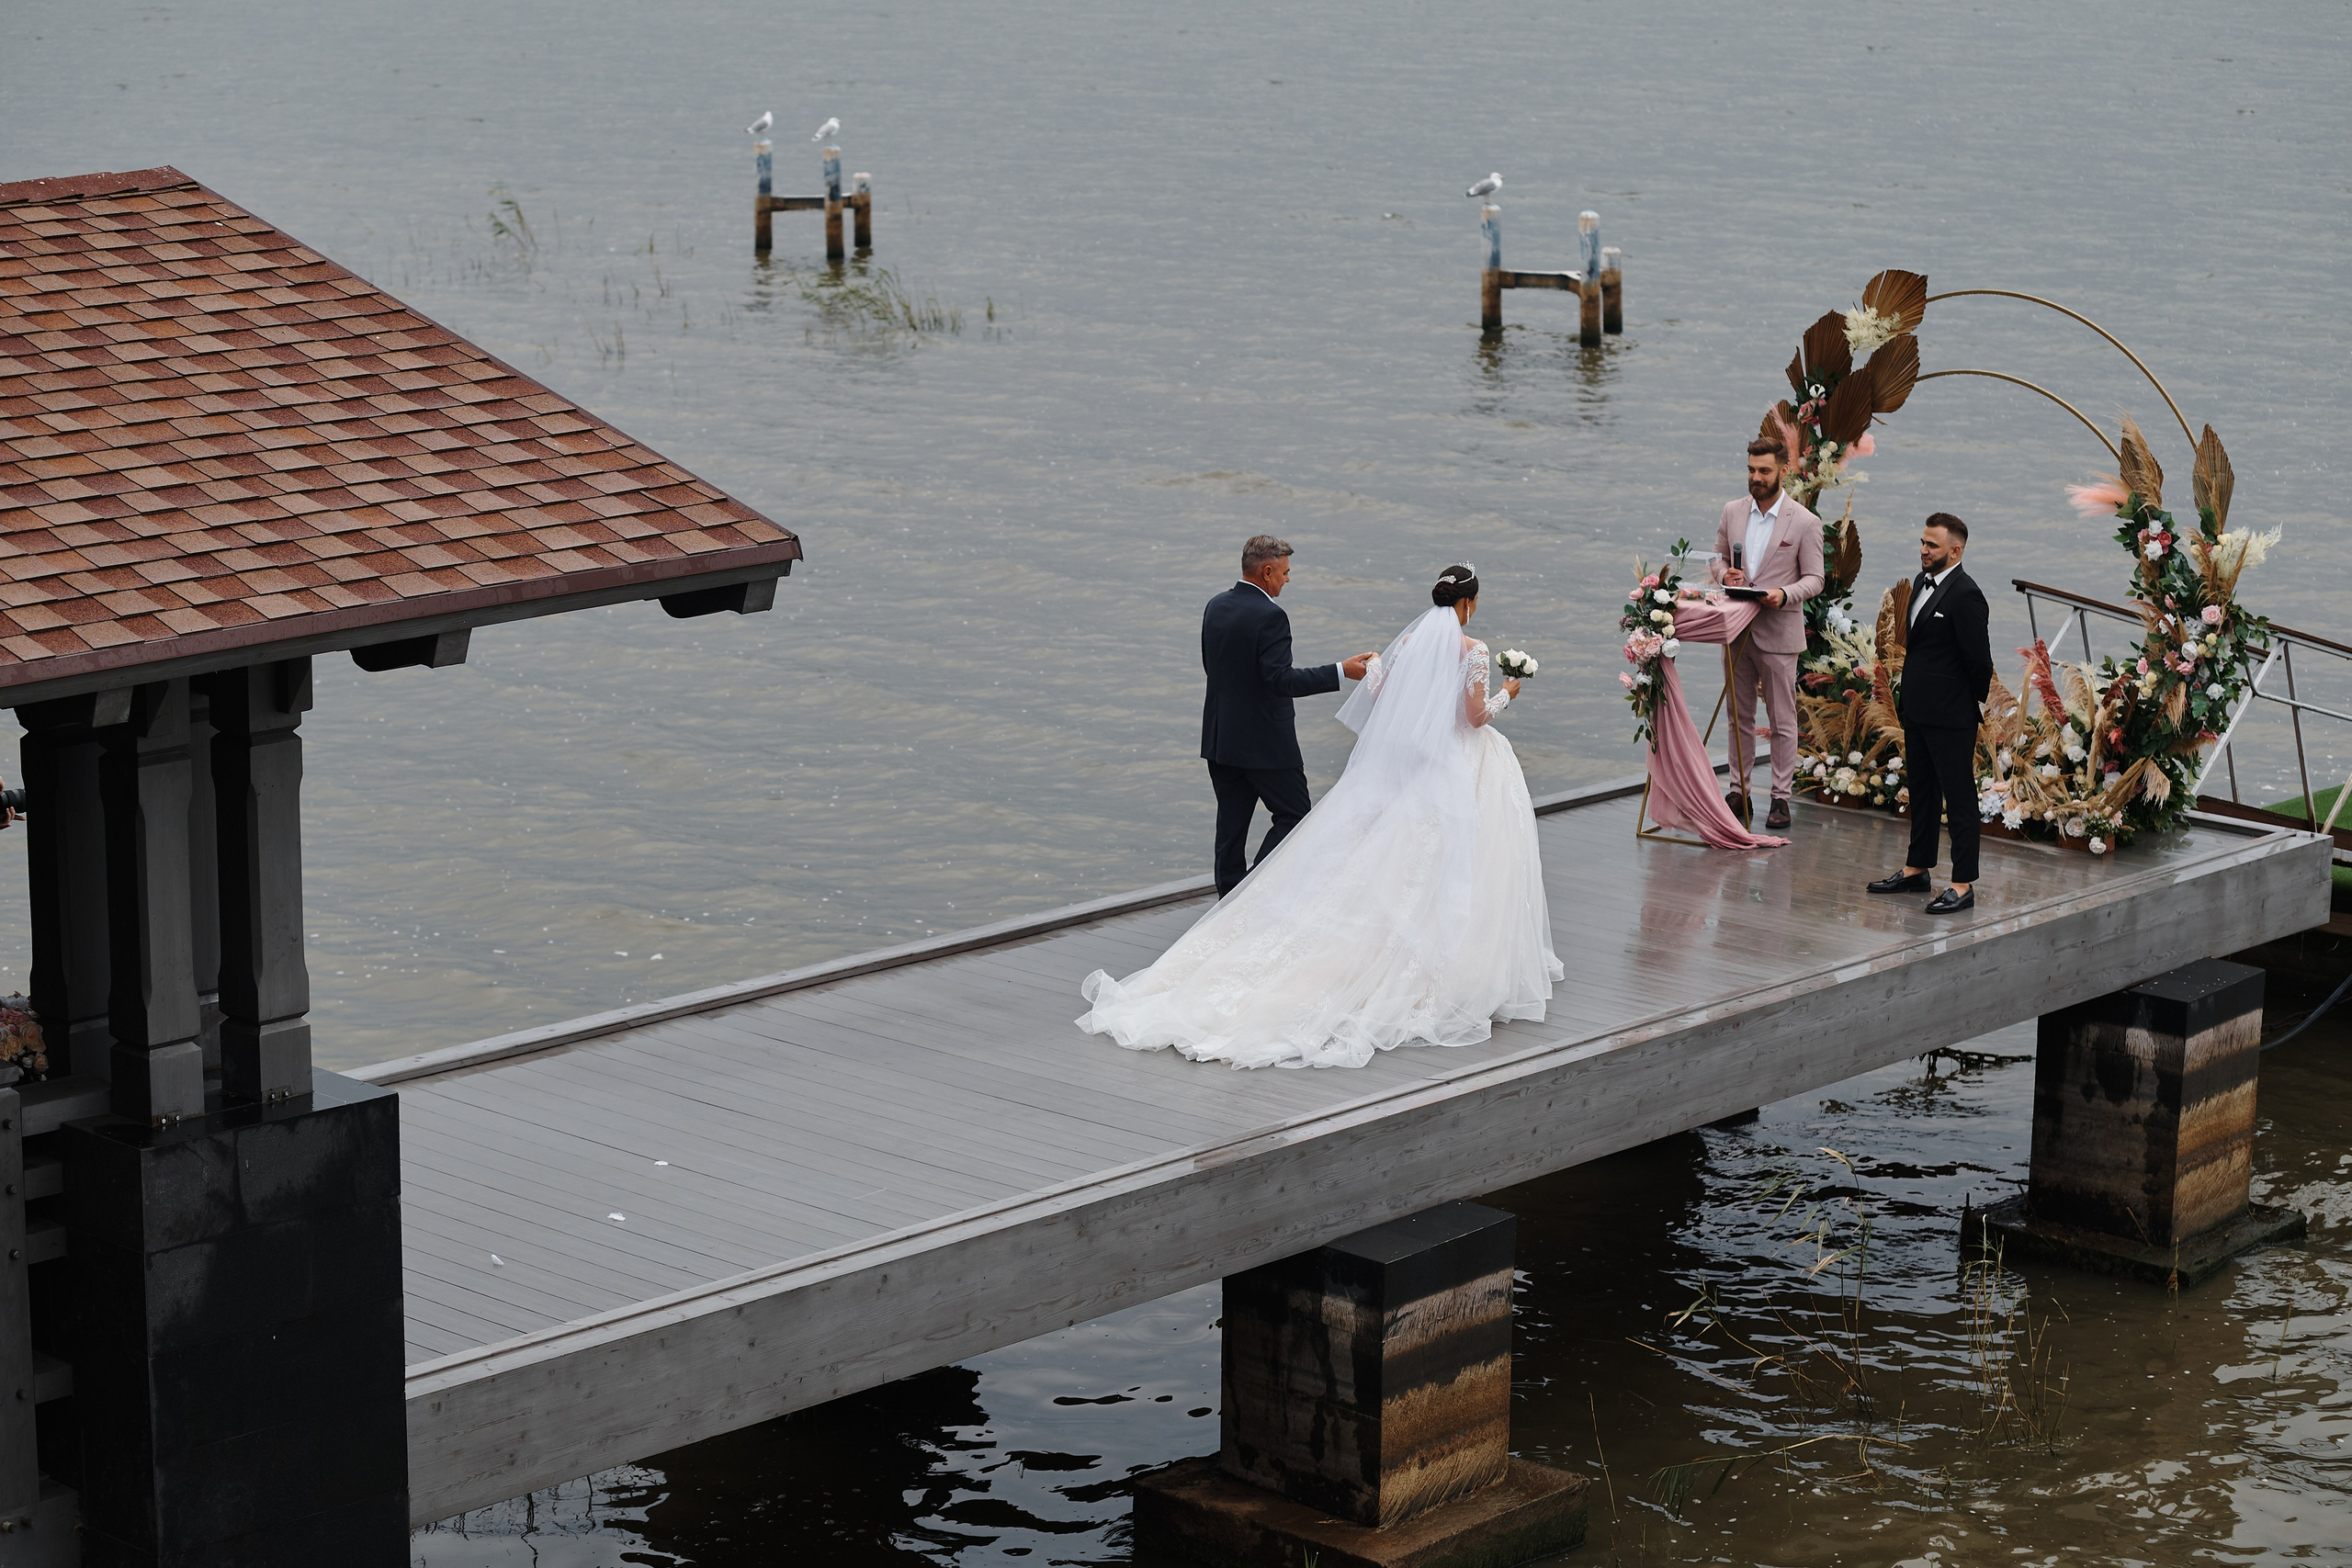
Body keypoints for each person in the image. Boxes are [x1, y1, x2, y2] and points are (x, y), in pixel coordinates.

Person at [1079, 565, 1561, 1068]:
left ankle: (1247, 906)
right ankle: (1453, 961)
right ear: (1470, 603)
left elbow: (1383, 694)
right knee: (1457, 857)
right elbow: (1474, 717)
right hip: (1455, 764)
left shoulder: (1412, 641)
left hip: (1404, 767)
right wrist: (1510, 693)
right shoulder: (1475, 650)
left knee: (1375, 849)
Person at [1198, 536, 1375, 897]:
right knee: (1295, 816)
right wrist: (1342, 671)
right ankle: (1251, 891)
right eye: (1285, 572)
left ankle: (1227, 902)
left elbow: (1213, 668)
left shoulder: (1215, 606)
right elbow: (1280, 680)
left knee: (1230, 829)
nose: (1287, 579)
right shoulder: (1271, 616)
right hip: (1266, 745)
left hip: (1221, 740)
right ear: (1266, 571)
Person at [1867, 513, 1994, 914]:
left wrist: (1966, 704)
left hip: (1953, 716)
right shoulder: (1921, 583)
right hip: (1918, 710)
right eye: (1922, 542)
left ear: (1955, 551)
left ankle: (1962, 884)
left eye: (1932, 545)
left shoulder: (1967, 594)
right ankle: (1916, 869)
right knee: (1921, 791)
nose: (1923, 550)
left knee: (1959, 799)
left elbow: (1980, 662)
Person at [1711, 438, 1824, 830]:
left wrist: (1784, 594)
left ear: (1783, 471)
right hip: (1736, 631)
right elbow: (1716, 556)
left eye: (1764, 471)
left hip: (1780, 631)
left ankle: (1780, 799)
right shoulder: (1731, 511)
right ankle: (1738, 792)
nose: (1755, 478)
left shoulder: (1805, 522)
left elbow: (1816, 579)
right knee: (1737, 716)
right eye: (1751, 470)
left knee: (1782, 720)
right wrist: (1724, 573)